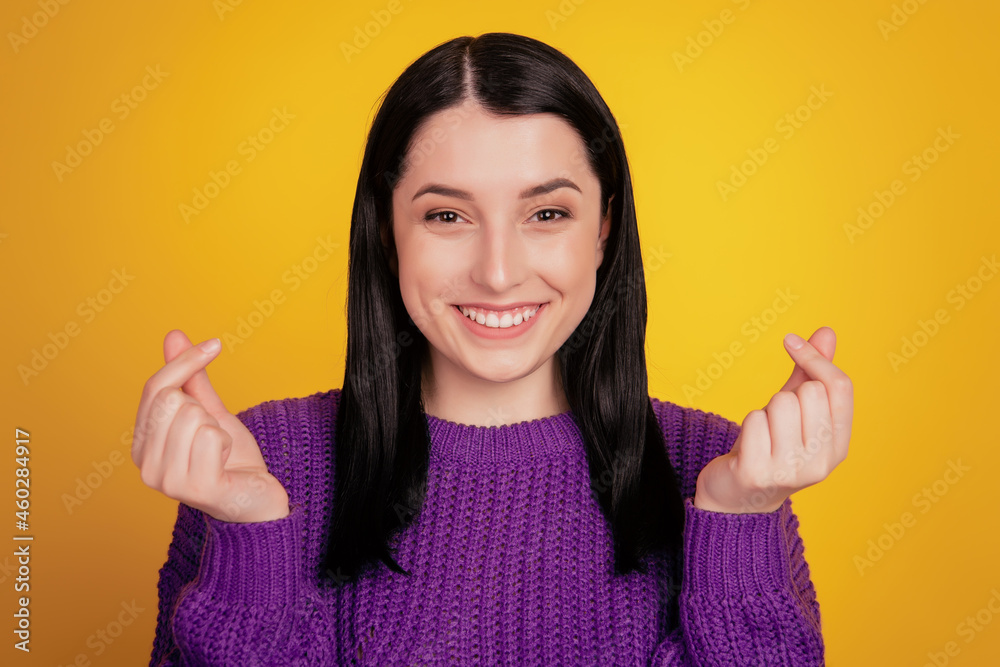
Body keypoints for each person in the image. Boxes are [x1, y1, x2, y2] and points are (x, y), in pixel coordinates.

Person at [134, 32, 852, 666]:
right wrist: (250, 543)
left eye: (547, 213)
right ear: (387, 231)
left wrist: (738, 528)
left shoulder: (716, 470)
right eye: (447, 215)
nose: (499, 271)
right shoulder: (260, 465)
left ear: (603, 226)